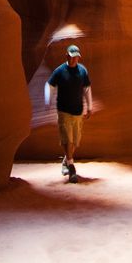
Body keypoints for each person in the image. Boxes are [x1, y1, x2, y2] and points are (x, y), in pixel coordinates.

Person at [44, 44, 93, 183]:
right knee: (67, 139)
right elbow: (50, 85)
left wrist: (89, 106)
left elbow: (87, 88)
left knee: (76, 141)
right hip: (64, 110)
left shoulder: (82, 71)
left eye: (76, 57)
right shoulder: (60, 71)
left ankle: (66, 160)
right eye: (71, 57)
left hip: (78, 111)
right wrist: (48, 100)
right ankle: (71, 167)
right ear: (66, 56)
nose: (74, 60)